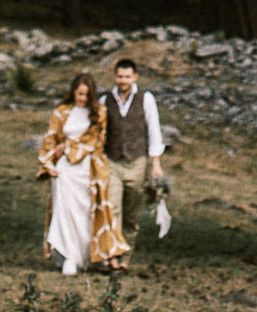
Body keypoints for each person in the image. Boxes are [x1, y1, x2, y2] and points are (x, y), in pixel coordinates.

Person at [36, 72, 130, 274]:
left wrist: (69, 145)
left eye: (87, 95)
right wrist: (48, 163)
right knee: (65, 212)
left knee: (87, 213)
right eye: (79, 94)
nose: (82, 99)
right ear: (73, 92)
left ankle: (88, 257)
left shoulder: (99, 112)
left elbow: (96, 141)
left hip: (88, 168)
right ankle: (69, 256)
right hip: (65, 172)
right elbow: (50, 139)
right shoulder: (61, 112)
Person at [102, 56, 167, 258]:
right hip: (112, 161)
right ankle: (111, 255)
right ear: (115, 77)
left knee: (131, 213)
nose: (123, 81)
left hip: (137, 162)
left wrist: (156, 164)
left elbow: (154, 130)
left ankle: (125, 257)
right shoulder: (105, 100)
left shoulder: (145, 99)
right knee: (112, 210)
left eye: (127, 77)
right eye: (120, 77)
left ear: (135, 77)